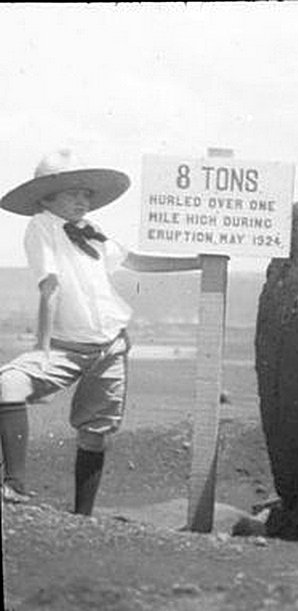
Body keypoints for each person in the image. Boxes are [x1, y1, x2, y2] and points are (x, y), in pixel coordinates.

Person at [0, 149, 202, 514]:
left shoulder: (94, 233)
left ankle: (83, 516)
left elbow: (136, 261)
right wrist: (41, 352)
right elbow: (49, 288)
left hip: (110, 346)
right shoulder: (42, 227)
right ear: (46, 198)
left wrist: (198, 262)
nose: (82, 200)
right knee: (8, 385)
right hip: (63, 347)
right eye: (72, 193)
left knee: (96, 432)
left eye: (87, 194)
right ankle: (14, 485)